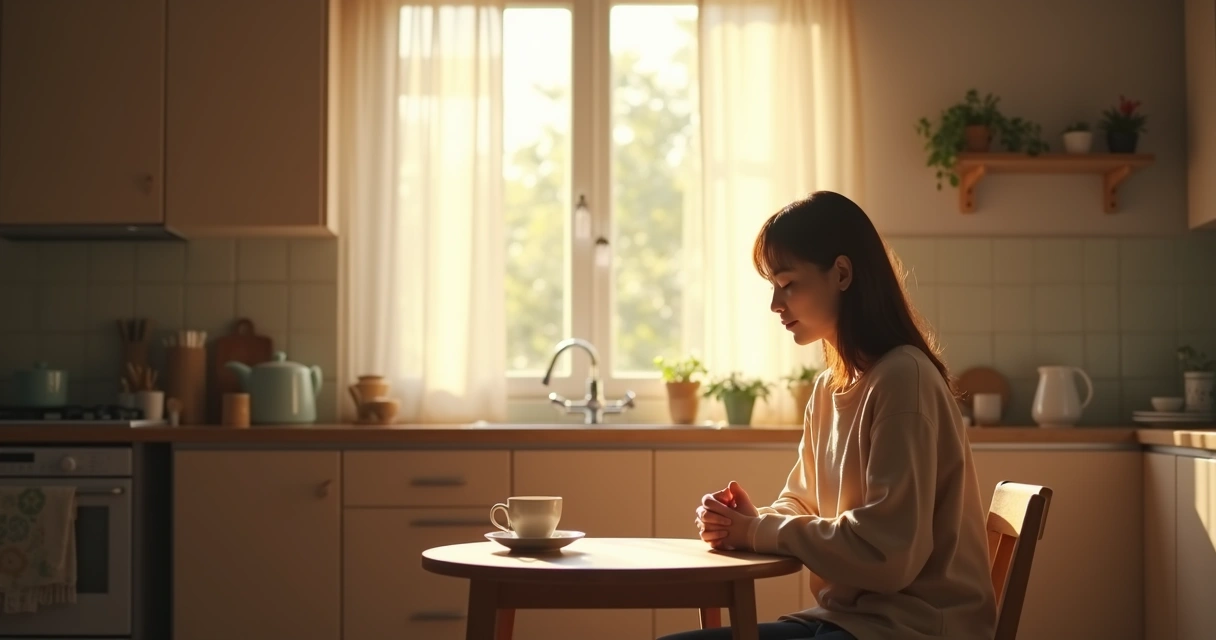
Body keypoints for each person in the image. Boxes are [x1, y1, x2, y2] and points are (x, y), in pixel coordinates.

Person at [660, 191, 997, 640]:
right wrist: (747, 520)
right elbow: (801, 503)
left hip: (914, 629)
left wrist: (758, 530)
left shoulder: (903, 378)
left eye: (788, 284)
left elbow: (886, 554)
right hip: (847, 623)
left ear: (841, 273)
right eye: (773, 287)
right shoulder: (828, 389)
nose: (776, 305)